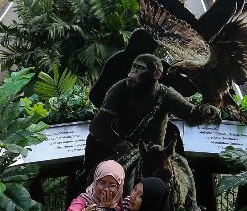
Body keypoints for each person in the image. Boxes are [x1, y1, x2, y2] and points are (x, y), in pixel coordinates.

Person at [84, 54, 220, 185]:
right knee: (94, 178)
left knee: (184, 171)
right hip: (126, 151)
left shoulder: (165, 94)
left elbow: (191, 115)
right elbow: (98, 125)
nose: (133, 72)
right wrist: (117, 143)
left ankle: (192, 205)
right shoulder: (120, 89)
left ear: (156, 74)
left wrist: (208, 111)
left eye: (140, 68)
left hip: (157, 153)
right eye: (134, 66)